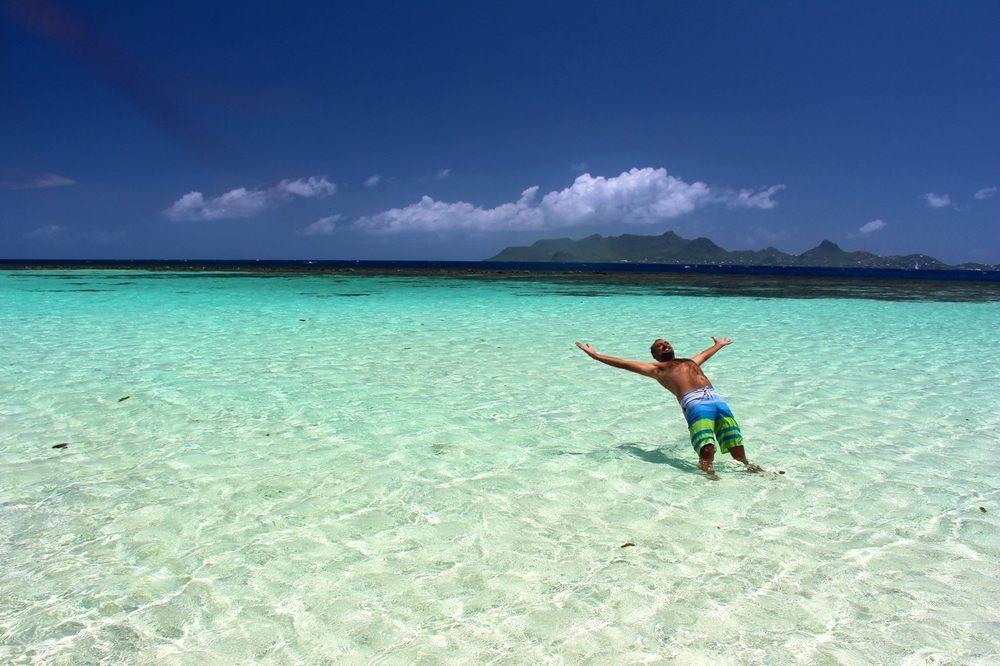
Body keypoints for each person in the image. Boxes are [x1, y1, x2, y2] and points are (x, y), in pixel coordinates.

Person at [575, 337, 761, 477]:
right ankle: (708, 473)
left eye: (666, 343)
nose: (665, 345)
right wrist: (596, 355)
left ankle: (747, 465)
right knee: (707, 446)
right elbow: (623, 364)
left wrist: (718, 345)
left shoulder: (689, 361)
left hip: (717, 400)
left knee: (735, 441)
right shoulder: (657, 369)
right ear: (655, 355)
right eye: (660, 346)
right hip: (695, 403)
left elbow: (705, 354)